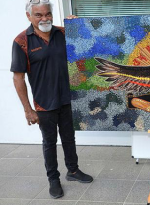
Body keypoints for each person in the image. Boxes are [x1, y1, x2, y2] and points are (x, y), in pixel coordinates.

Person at [11, 0, 93, 199]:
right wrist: (28, 110)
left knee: (69, 138)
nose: (44, 18)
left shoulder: (63, 33)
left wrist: (78, 26)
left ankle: (73, 171)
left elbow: (87, 41)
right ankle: (53, 179)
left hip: (67, 98)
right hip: (43, 103)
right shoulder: (22, 41)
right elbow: (18, 77)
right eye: (38, 15)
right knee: (49, 142)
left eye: (47, 14)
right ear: (29, 17)